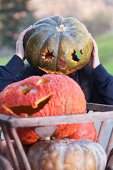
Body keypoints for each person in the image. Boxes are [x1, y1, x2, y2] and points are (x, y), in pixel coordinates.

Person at [0, 26, 113, 105]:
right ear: (39, 51)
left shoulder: (86, 76)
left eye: (67, 52)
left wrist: (97, 67)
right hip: (33, 137)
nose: (59, 59)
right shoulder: (27, 74)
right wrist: (18, 58)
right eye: (50, 54)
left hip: (76, 137)